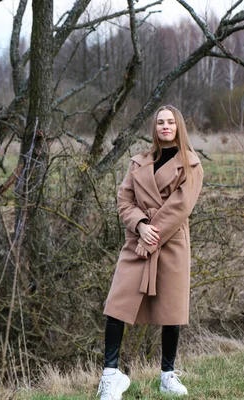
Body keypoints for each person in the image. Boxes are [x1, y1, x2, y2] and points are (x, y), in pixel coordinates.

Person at [97, 105, 204, 400]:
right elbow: (124, 201)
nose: (165, 126)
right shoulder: (139, 162)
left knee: (171, 309)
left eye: (170, 122)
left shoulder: (191, 164)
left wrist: (151, 236)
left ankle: (167, 376)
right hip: (137, 241)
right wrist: (141, 226)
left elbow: (180, 208)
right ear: (154, 127)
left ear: (178, 126)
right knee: (117, 303)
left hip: (171, 242)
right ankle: (110, 376)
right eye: (160, 122)